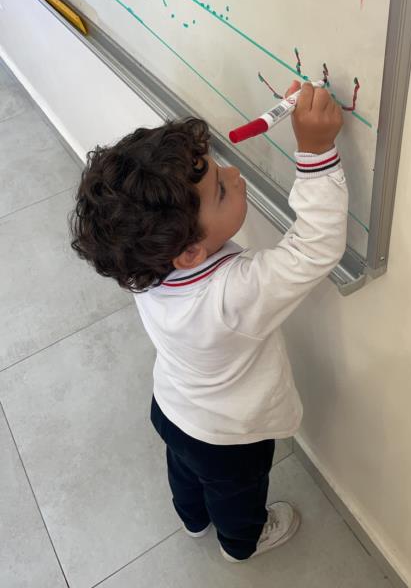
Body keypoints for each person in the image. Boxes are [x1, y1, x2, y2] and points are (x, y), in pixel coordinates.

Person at [69, 79, 347, 562]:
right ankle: (242, 544)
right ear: (190, 252)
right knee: (237, 496)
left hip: (171, 409)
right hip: (229, 439)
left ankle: (192, 519)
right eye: (221, 188)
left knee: (184, 472)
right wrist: (316, 150)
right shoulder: (233, 295)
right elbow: (314, 248)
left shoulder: (140, 266)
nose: (235, 174)